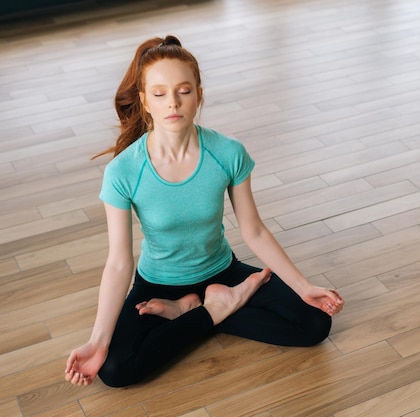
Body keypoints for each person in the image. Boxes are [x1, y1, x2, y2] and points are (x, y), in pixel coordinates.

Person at [64, 35, 344, 388]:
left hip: (222, 271)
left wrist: (304, 287)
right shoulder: (123, 171)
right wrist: (98, 341)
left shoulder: (227, 152)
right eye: (160, 93)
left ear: (199, 95)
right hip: (158, 286)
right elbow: (119, 262)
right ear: (145, 101)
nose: (173, 103)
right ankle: (208, 309)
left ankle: (195, 310)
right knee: (116, 369)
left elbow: (253, 230)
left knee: (314, 323)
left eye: (183, 90)